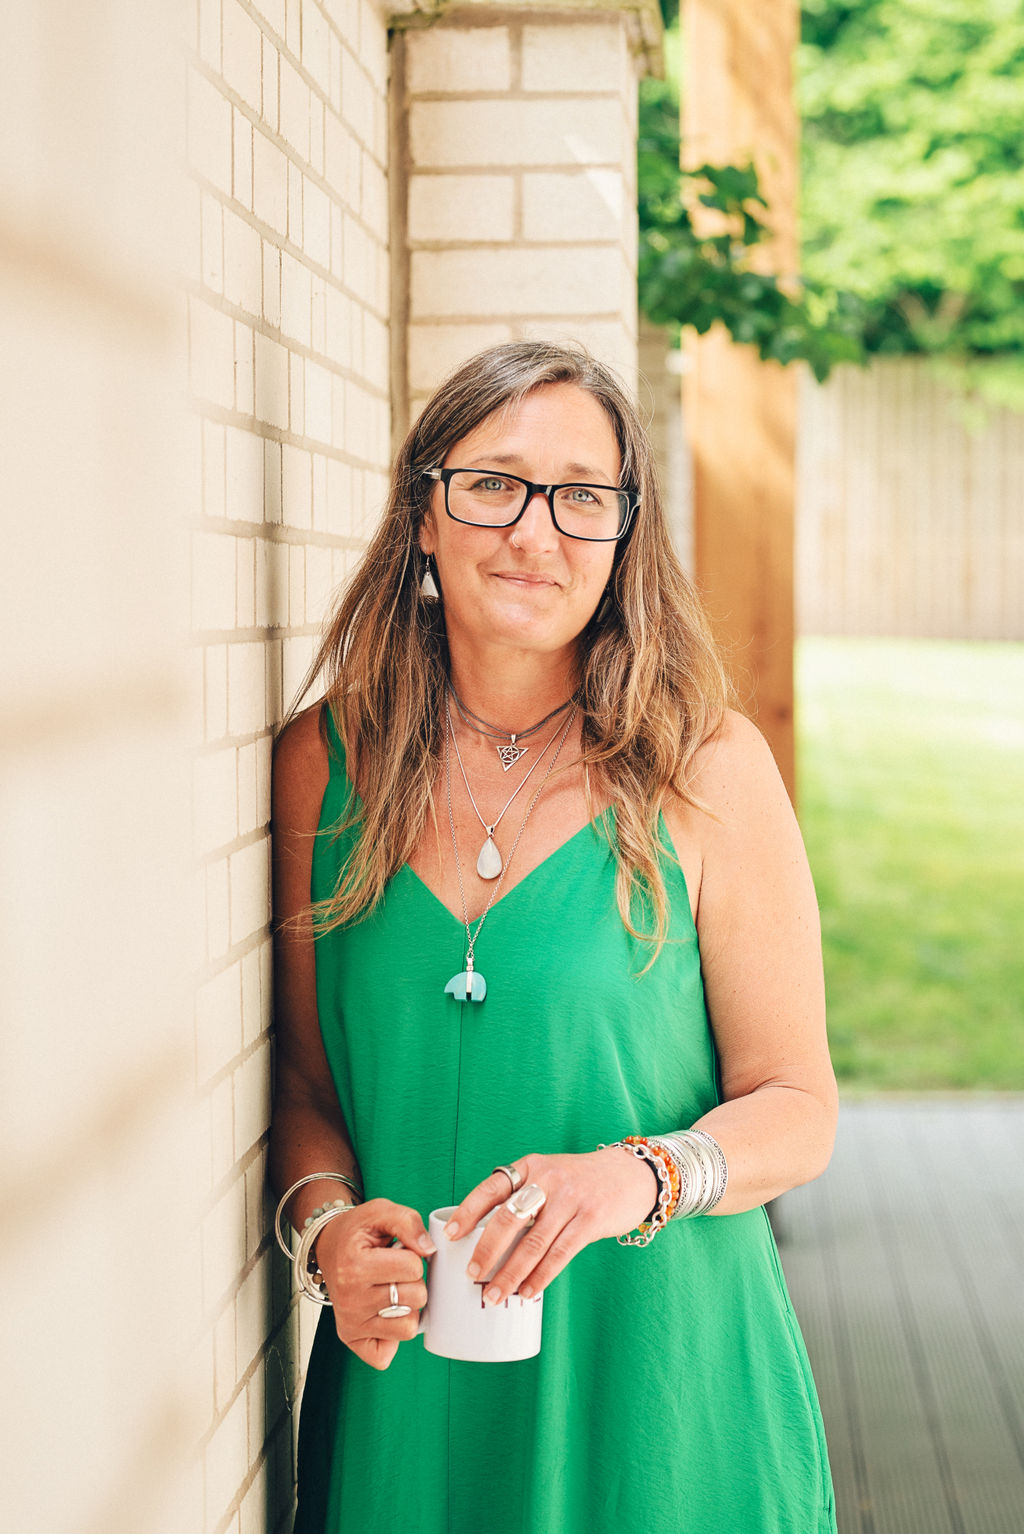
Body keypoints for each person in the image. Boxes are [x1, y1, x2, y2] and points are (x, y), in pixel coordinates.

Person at [270, 340, 838, 1534]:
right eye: (494, 484)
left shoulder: (704, 765)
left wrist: (635, 1175)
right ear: (424, 511)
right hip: (414, 1395)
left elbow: (796, 1105)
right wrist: (327, 1229)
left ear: (624, 535)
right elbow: (306, 1082)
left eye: (583, 496)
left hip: (662, 1394)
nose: (536, 533)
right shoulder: (324, 763)